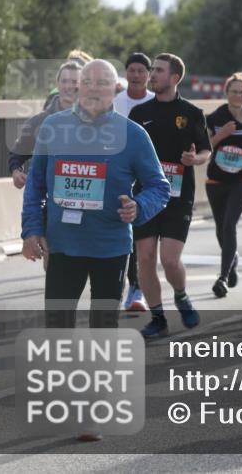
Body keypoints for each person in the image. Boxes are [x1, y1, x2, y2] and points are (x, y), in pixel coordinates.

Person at [21, 60, 170, 335]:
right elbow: (35, 185)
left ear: (114, 89)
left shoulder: (133, 134)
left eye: (102, 83)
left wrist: (139, 207)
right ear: (79, 87)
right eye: (87, 82)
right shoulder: (53, 127)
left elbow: (159, 187)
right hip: (64, 244)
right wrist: (31, 230)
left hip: (110, 247)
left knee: (102, 328)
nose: (93, 89)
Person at [130, 54, 212, 338]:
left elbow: (205, 150)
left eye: (158, 70)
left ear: (174, 78)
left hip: (178, 196)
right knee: (145, 257)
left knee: (169, 259)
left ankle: (181, 293)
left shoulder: (191, 113)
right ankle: (158, 318)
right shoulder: (139, 114)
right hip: (145, 196)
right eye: (152, 69)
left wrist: (195, 160)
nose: (151, 74)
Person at [204, 72, 242, 297]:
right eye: (234, 91)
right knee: (221, 228)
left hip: (241, 179)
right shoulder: (215, 117)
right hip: (216, 179)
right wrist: (222, 135)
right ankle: (233, 259)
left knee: (230, 225)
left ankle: (222, 277)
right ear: (227, 93)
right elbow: (205, 147)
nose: (238, 95)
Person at [111, 53, 155, 313]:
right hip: (121, 176)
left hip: (149, 178)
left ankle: (142, 286)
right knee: (128, 233)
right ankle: (133, 288)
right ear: (126, 74)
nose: (136, 75)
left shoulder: (155, 102)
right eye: (132, 71)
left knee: (145, 240)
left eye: (141, 71)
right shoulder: (115, 102)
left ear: (149, 75)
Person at [10, 62, 81, 189]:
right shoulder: (39, 121)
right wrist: (16, 171)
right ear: (57, 84)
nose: (69, 86)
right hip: (46, 199)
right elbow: (18, 152)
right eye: (64, 81)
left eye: (74, 81)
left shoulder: (95, 122)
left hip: (83, 199)